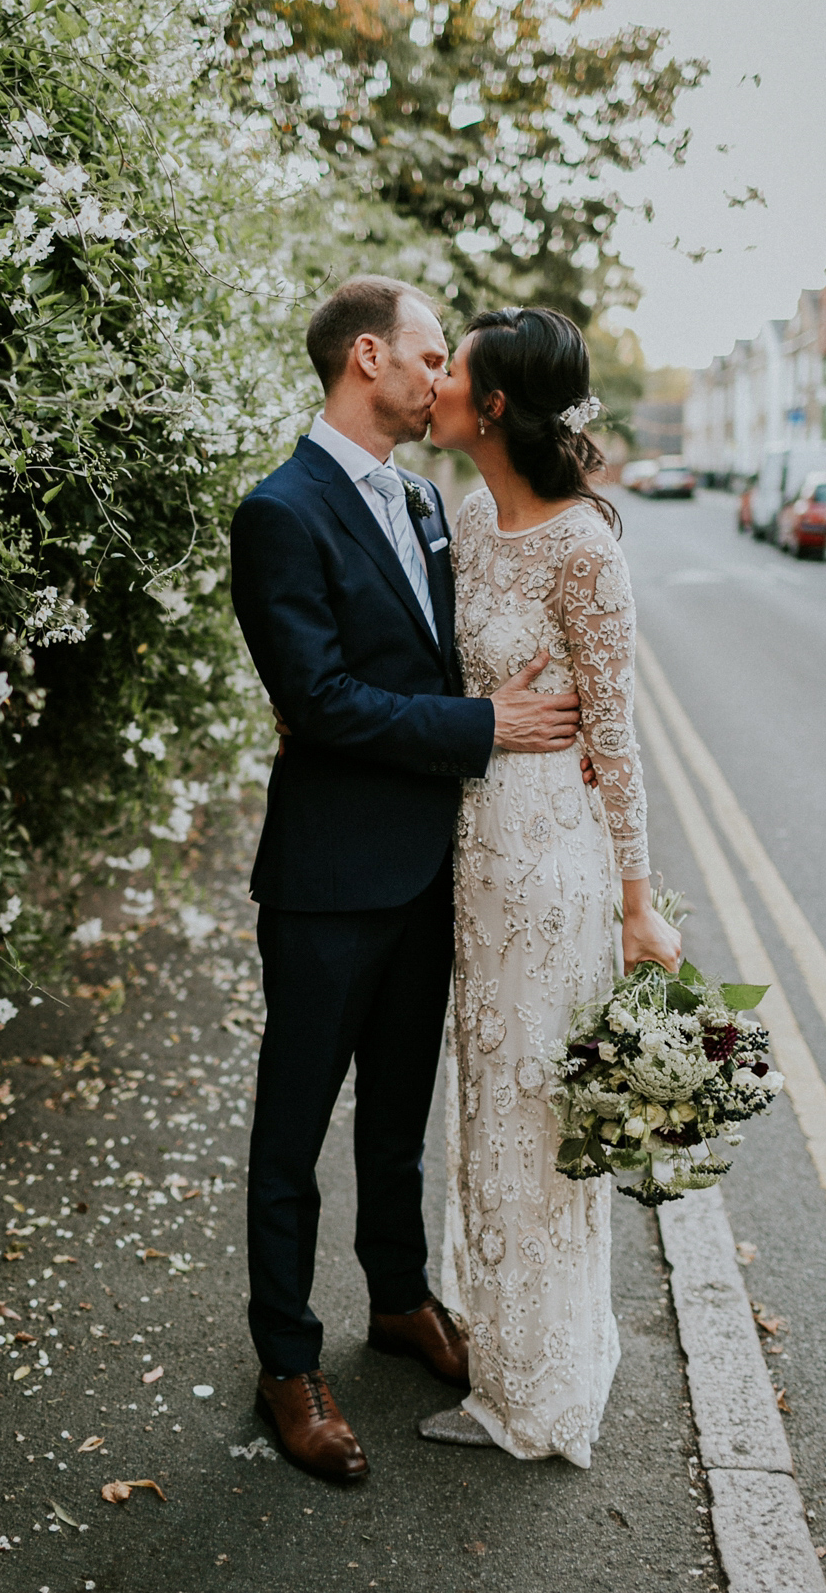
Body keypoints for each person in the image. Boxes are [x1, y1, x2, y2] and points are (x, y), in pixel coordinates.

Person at [228, 277, 593, 1483]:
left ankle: (399, 1298)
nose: (444, 380)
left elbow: (445, 651)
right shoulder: (279, 512)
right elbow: (319, 703)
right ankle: (288, 1360)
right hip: (331, 880)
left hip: (434, 872)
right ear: (369, 357)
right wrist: (484, 725)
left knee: (397, 1121)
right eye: (433, 356)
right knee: (293, 1133)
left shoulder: (432, 505)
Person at [421, 305, 680, 1463]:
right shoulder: (472, 518)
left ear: (494, 409)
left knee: (537, 1117)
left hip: (554, 860)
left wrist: (637, 902)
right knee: (485, 1102)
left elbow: (615, 736)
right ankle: (499, 1339)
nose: (434, 382)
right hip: (476, 847)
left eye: (453, 370)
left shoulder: (587, 546)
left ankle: (537, 1397)